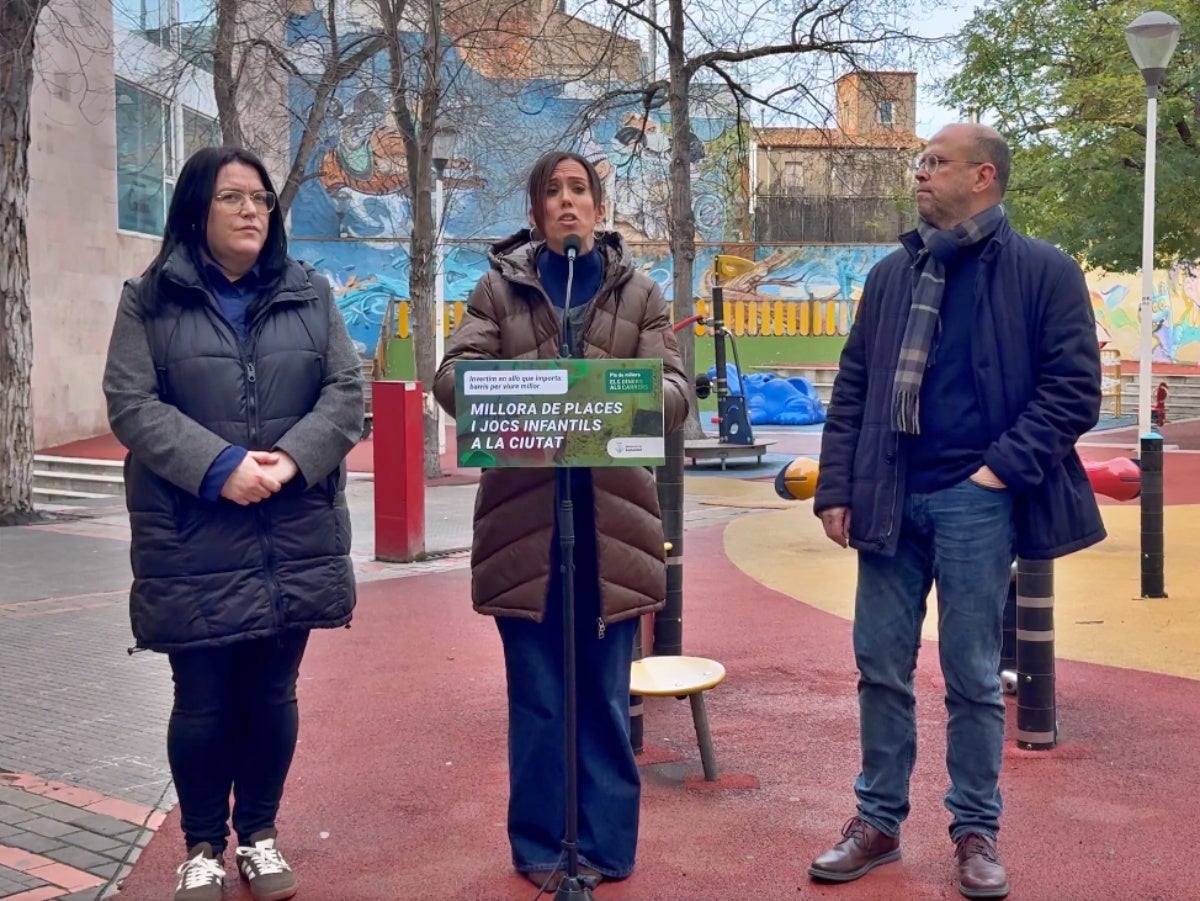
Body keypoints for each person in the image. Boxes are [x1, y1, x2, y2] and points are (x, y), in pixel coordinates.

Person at [809, 124, 1105, 900]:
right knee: (880, 665)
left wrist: (995, 473)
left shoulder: (1043, 271)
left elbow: (1073, 389)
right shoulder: (890, 275)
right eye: (920, 163)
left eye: (935, 163)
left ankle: (976, 829)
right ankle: (876, 821)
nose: (920, 174)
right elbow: (854, 389)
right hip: (889, 497)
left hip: (977, 501)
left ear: (984, 177)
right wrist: (836, 485)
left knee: (972, 674)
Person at [103, 146, 364, 901]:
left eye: (261, 199)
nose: (253, 210)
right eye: (233, 198)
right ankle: (202, 847)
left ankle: (259, 834)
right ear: (196, 210)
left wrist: (286, 461)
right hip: (193, 532)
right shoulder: (148, 299)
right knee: (205, 695)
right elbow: (132, 403)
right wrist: (222, 468)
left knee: (273, 691)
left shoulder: (310, 292)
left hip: (294, 528)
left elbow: (345, 394)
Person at [433, 150, 690, 891]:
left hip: (611, 532)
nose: (567, 202)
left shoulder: (641, 293)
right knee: (539, 699)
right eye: (553, 191)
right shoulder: (497, 290)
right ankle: (542, 847)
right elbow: (454, 377)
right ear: (537, 209)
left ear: (599, 207)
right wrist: (536, 392)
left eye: (580, 190)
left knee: (606, 700)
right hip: (527, 530)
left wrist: (601, 395)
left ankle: (608, 846)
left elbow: (671, 391)